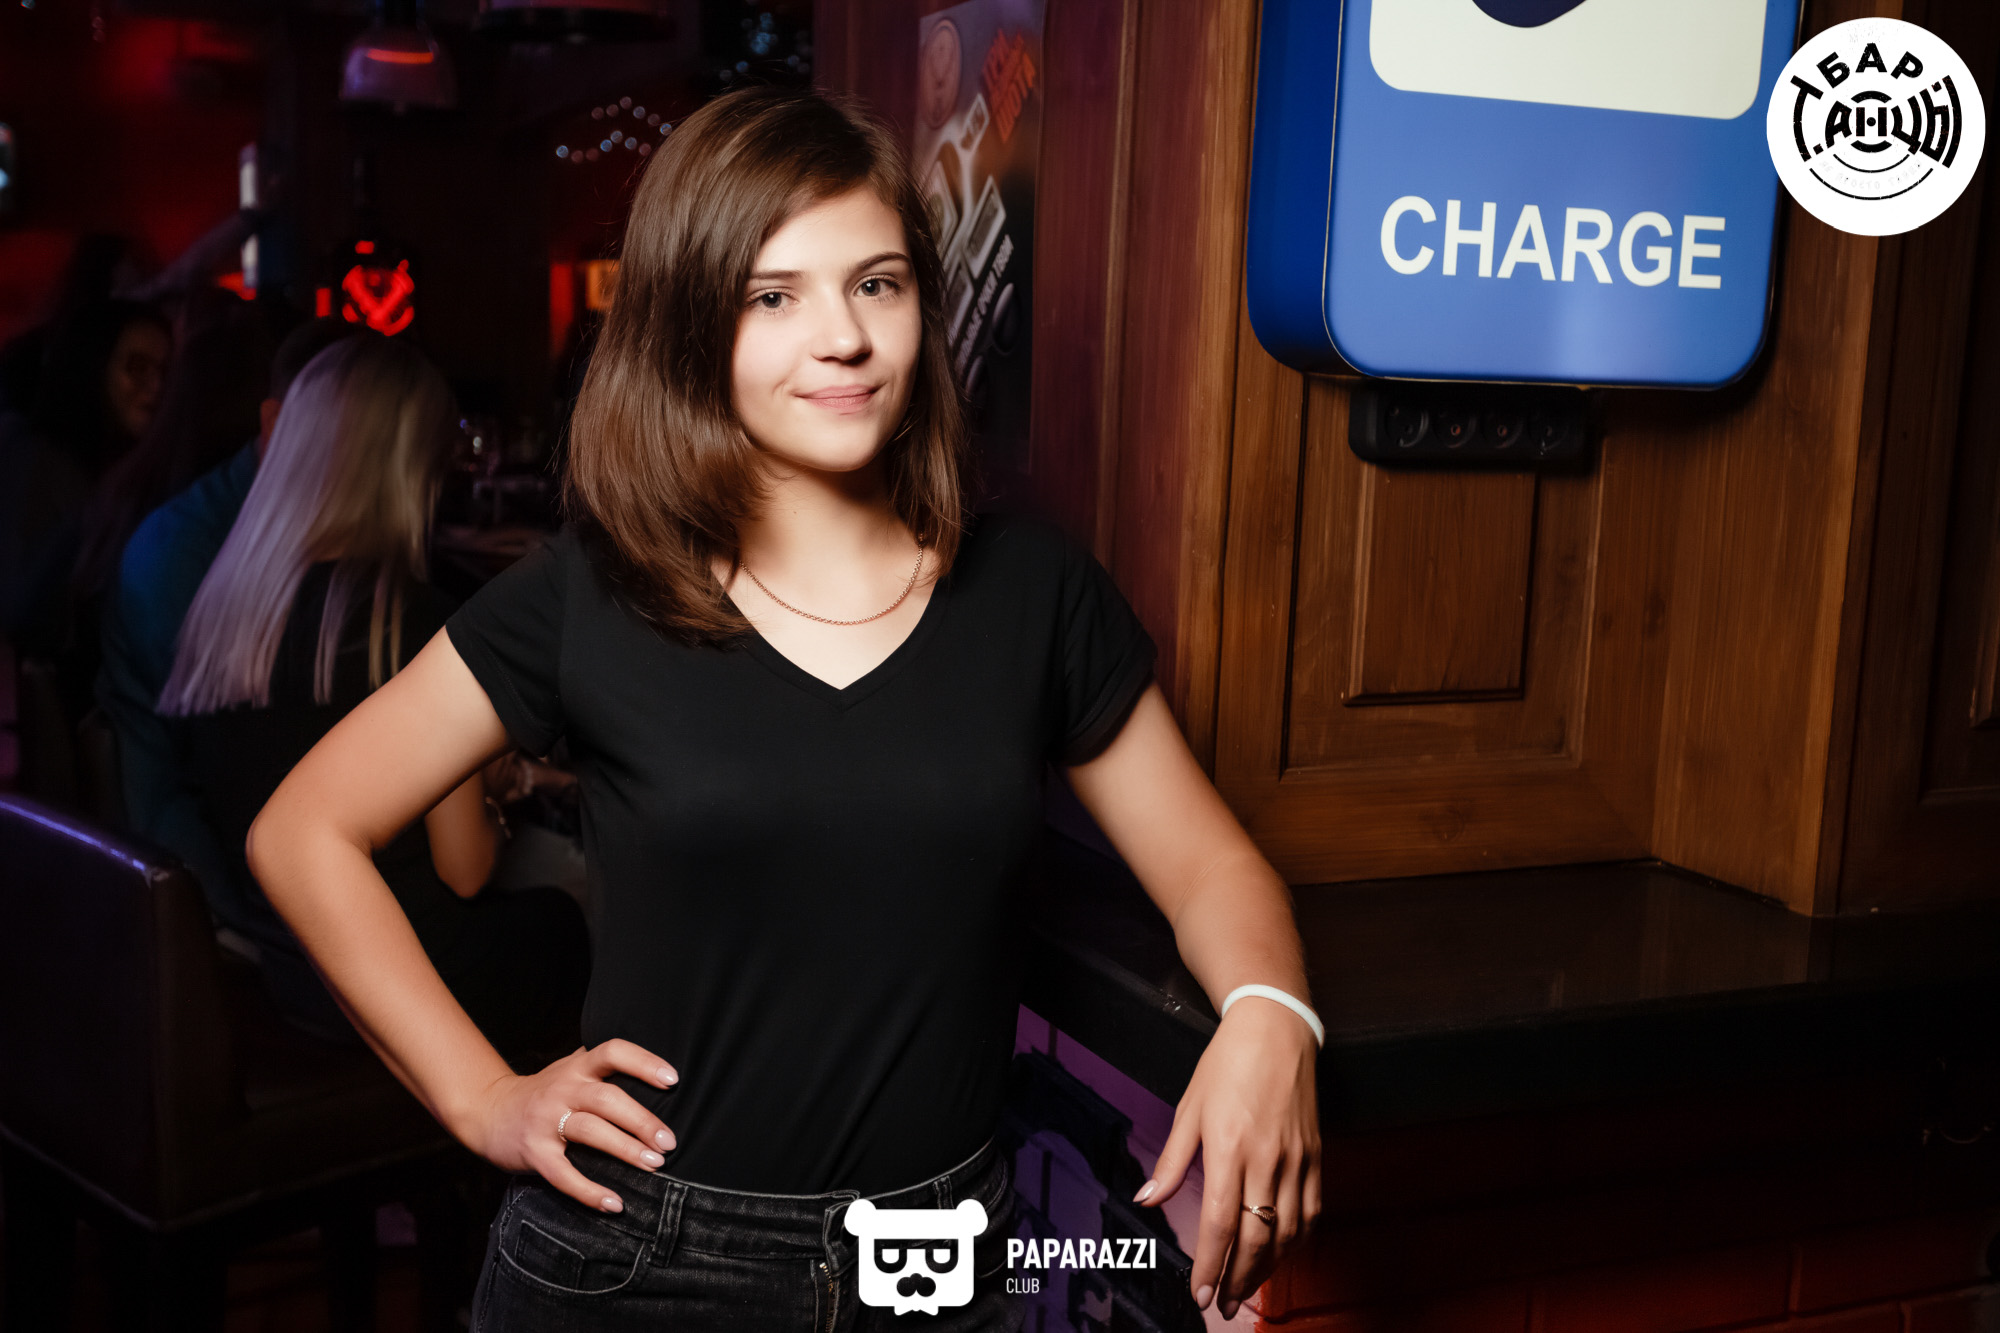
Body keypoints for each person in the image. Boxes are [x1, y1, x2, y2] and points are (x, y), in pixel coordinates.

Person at [246, 87, 1321, 1330]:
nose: (842, 338)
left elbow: (1209, 866)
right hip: (637, 1263)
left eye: (876, 284)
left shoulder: (1033, 591)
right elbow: (305, 830)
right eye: (773, 297)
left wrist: (1270, 1015)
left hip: (936, 1270)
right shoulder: (591, 593)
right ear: (689, 328)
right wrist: (481, 1095)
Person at [158, 333, 589, 1066]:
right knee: (577, 910)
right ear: (411, 468)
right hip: (413, 989)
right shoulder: (410, 624)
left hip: (295, 977)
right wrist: (492, 801)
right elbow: (465, 869)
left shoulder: (224, 613)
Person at [98, 316, 359, 927]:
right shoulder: (184, 551)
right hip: (201, 874)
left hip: (236, 844)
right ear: (274, 424)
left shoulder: (263, 524)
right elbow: (233, 767)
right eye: (349, 435)